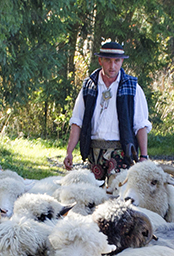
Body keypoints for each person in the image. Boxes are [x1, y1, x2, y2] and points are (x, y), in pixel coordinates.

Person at [63, 40, 151, 178]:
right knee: (92, 196)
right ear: (100, 60)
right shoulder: (89, 86)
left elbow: (140, 125)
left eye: (117, 61)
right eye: (108, 61)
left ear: (122, 61)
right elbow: (77, 121)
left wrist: (143, 156)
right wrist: (69, 152)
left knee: (117, 196)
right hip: (93, 152)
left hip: (121, 153)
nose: (112, 66)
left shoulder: (132, 88)